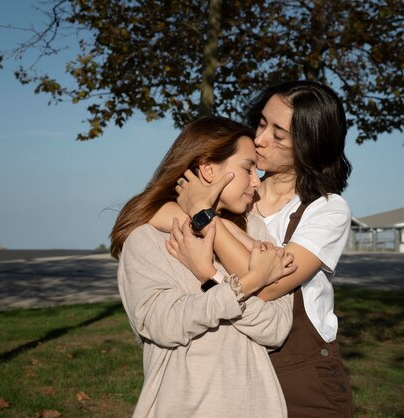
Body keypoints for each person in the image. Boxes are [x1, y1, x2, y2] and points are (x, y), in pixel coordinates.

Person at [168, 80, 353, 417]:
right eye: (262, 123)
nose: (259, 139)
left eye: (278, 135)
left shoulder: (327, 210)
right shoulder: (236, 190)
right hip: (230, 366)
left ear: (309, 145)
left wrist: (205, 217)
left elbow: (269, 287)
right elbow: (157, 209)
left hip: (302, 379)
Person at [111, 116, 298, 417]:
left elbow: (275, 329)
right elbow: (164, 323)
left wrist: (211, 277)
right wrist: (245, 284)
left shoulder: (256, 232)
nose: (256, 181)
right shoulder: (149, 240)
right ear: (209, 168)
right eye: (248, 168)